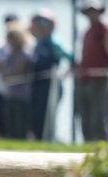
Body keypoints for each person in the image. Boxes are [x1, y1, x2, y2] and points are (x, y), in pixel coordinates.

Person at [29, 9, 73, 141]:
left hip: (51, 86)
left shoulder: (54, 42)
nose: (39, 25)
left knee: (47, 116)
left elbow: (71, 58)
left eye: (43, 22)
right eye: (37, 22)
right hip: (37, 86)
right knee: (36, 116)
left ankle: (49, 140)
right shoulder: (37, 41)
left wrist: (63, 75)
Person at [76, 0, 108, 142]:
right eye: (90, 11)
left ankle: (102, 149)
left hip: (98, 81)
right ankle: (87, 146)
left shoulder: (104, 30)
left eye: (95, 10)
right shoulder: (87, 32)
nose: (92, 14)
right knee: (85, 117)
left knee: (97, 119)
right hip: (83, 79)